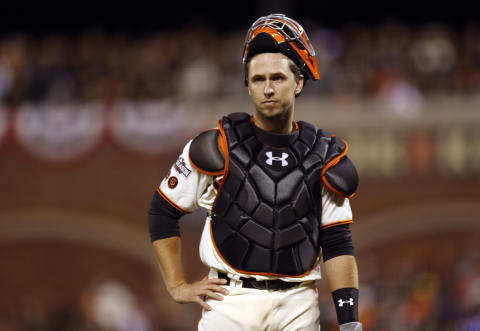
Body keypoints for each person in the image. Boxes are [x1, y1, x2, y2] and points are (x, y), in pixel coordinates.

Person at [148, 14, 362, 331]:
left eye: (278, 78)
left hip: (298, 306)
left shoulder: (324, 155)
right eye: (258, 79)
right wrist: (177, 286)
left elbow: (338, 243)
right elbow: (162, 210)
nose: (268, 88)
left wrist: (349, 322)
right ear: (248, 85)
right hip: (229, 301)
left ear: (299, 81)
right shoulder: (217, 145)